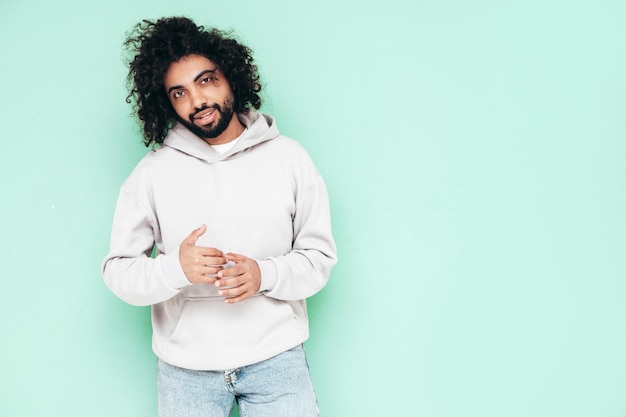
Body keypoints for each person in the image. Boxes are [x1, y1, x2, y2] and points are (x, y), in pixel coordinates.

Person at [101, 16, 337, 417]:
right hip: (185, 372)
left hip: (276, 358)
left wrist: (266, 275)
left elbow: (319, 260)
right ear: (165, 102)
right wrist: (174, 269)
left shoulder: (289, 158)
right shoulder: (152, 174)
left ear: (231, 77)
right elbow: (118, 272)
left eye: (206, 80)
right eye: (179, 92)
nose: (197, 101)